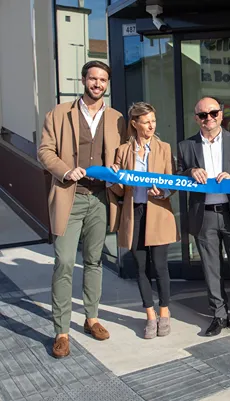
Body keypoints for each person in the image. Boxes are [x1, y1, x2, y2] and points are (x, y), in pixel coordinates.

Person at [37, 61, 124, 358]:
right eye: (92, 78)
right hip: (69, 198)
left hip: (101, 199)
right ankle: (61, 332)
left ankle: (91, 318)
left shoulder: (116, 118)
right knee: (63, 261)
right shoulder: (59, 113)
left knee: (94, 262)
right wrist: (64, 170)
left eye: (102, 80)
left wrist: (118, 168)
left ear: (107, 84)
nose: (97, 84)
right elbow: (45, 151)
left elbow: (123, 156)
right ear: (84, 80)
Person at [176, 97, 230, 338]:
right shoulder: (185, 146)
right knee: (211, 269)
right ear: (196, 119)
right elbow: (177, 173)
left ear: (221, 115)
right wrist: (190, 171)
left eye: (213, 113)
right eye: (203, 115)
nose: (209, 118)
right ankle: (219, 316)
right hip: (204, 216)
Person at [109, 102, 179, 339]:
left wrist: (163, 192)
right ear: (135, 123)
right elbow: (118, 191)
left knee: (160, 266)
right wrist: (113, 178)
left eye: (154, 121)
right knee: (140, 267)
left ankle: (165, 313)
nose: (151, 126)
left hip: (158, 212)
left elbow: (173, 183)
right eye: (146, 121)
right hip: (135, 212)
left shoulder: (164, 148)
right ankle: (150, 316)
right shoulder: (122, 151)